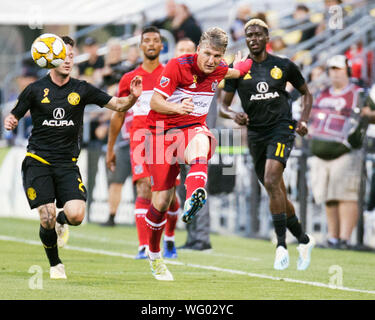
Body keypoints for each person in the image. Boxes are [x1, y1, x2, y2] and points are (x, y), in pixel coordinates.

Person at [3, 36, 142, 279]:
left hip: (68, 164)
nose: (67, 60)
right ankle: (56, 264)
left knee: (77, 215)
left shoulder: (82, 88)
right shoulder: (35, 90)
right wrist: (11, 120)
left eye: (70, 55)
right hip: (38, 161)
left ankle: (62, 220)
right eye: (62, 56)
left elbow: (119, 105)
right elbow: (14, 115)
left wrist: (132, 97)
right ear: (50, 59)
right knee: (45, 217)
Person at [145, 27, 253, 280]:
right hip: (162, 132)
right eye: (206, 54)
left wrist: (245, 60)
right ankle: (154, 254)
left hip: (192, 128)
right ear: (197, 50)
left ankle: (194, 196)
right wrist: (176, 106)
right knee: (161, 202)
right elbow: (155, 102)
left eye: (217, 56)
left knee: (202, 140)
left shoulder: (219, 69)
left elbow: (240, 70)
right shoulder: (176, 65)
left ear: (222, 56)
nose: (210, 61)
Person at [220, 19, 315, 271]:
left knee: (272, 181)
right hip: (256, 135)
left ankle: (281, 245)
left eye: (257, 34)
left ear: (267, 37)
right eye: (248, 34)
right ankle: (304, 240)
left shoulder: (283, 65)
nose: (252, 38)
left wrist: (303, 120)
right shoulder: (238, 69)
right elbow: (222, 105)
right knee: (276, 190)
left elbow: (307, 93)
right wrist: (234, 115)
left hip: (282, 128)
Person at [106, 26, 180, 260]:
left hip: (165, 136)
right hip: (139, 138)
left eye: (155, 40)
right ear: (140, 46)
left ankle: (168, 238)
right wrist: (111, 148)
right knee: (144, 187)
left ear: (161, 46)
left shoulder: (169, 74)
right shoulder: (129, 78)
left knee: (169, 194)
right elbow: (118, 114)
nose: (150, 44)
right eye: (146, 40)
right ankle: (143, 246)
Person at [308, 55, 370, 249]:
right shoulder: (321, 93)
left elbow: (370, 114)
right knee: (328, 196)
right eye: (332, 69)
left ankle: (344, 239)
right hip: (320, 151)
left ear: (348, 71)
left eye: (338, 69)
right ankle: (332, 237)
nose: (334, 73)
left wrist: (365, 117)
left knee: (346, 195)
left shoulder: (359, 94)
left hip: (345, 151)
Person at [173, 38, 213, 250]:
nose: (185, 54)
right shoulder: (171, 76)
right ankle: (191, 236)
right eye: (181, 50)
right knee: (182, 190)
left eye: (189, 51)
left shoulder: (205, 77)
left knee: (198, 187)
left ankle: (202, 238)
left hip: (196, 139)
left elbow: (207, 113)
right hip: (173, 139)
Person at [101, 109, 133, 227]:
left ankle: (145, 217)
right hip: (123, 144)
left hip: (144, 141)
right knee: (115, 183)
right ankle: (111, 216)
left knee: (145, 183)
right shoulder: (121, 92)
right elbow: (112, 111)